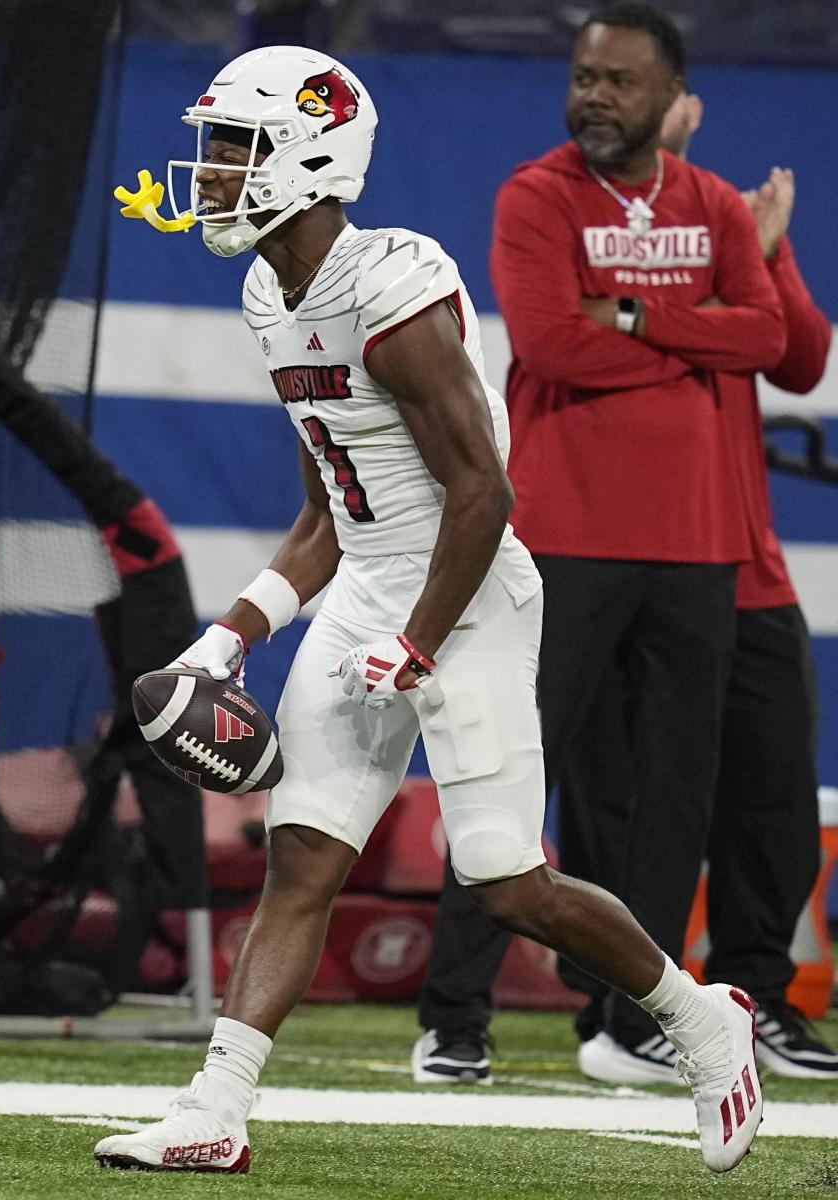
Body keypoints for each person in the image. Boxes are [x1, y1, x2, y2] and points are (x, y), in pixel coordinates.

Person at [95, 43, 762, 1176]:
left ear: (306, 158)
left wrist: (416, 644)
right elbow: (326, 513)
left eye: (231, 147)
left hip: (471, 588)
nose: (206, 170)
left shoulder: (388, 285)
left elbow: (482, 491)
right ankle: (215, 1110)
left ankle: (703, 1024)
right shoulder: (269, 287)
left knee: (506, 881)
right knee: (303, 855)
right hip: (368, 588)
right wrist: (229, 637)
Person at [412, 1, 788, 1086]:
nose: (594, 96)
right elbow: (548, 344)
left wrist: (627, 315)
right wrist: (687, 330)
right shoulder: (535, 197)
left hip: (696, 546)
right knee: (506, 779)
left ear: (671, 100)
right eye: (584, 76)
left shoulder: (715, 204)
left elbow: (762, 336)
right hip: (563, 538)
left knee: (676, 799)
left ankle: (636, 1025)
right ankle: (453, 1017)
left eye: (620, 80)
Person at [560, 92, 837, 1082]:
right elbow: (586, 315)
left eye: (649, 85)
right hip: (632, 559)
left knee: (773, 799)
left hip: (745, 566)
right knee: (630, 803)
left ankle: (754, 1002)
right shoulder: (574, 211)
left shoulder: (723, 220)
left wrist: (768, 255)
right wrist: (700, 312)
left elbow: (797, 354)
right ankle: (630, 1009)